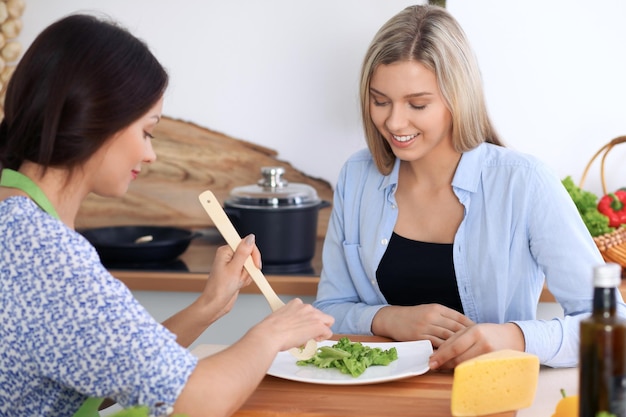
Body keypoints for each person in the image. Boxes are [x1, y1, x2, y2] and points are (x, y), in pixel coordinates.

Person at [0, 14, 334, 417]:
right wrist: (274, 332)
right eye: (147, 130)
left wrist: (210, 305)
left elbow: (112, 366)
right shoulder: (45, 252)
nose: (150, 154)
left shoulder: (16, 219)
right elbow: (195, 400)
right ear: (96, 118)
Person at [313, 4, 626, 370]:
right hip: (382, 397)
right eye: (380, 101)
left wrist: (512, 337)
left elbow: (612, 327)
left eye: (417, 104)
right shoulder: (357, 176)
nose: (395, 121)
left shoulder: (524, 182)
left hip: (489, 397)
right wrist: (387, 318)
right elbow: (327, 312)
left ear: (457, 98)